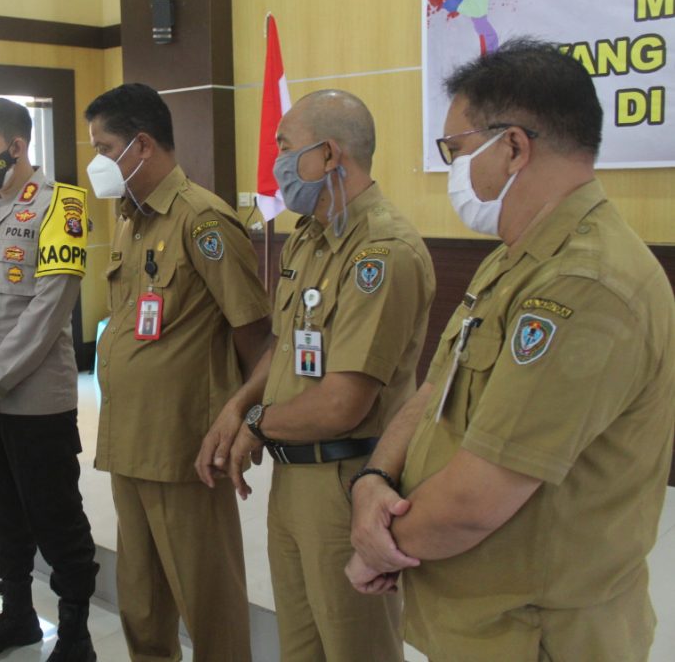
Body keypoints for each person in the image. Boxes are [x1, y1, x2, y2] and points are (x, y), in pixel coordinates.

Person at [347, 39, 675, 661]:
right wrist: (373, 480)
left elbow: (476, 500)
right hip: (481, 619)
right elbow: (435, 392)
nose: (452, 168)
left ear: (514, 147)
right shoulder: (516, 258)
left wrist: (377, 543)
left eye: (457, 149)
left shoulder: (584, 285)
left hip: (538, 634)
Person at [196, 90, 435, 661]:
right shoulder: (310, 236)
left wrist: (255, 424)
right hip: (293, 475)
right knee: (302, 648)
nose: (275, 162)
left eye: (284, 147)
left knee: (356, 648)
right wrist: (238, 406)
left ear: (328, 155)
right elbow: (284, 342)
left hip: (346, 481)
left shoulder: (383, 252)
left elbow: (340, 405)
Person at [86, 83, 272, 662]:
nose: (95, 160)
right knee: (141, 604)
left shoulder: (203, 220)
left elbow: (256, 336)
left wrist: (249, 419)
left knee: (206, 602)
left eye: (103, 145)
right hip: (127, 441)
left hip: (183, 448)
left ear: (141, 145)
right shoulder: (130, 219)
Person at [0, 98, 98, 662]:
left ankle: (77, 633)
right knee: (4, 515)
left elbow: (49, 308)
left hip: (36, 401)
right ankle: (17, 616)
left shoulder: (64, 207)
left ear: (15, 146)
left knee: (55, 516)